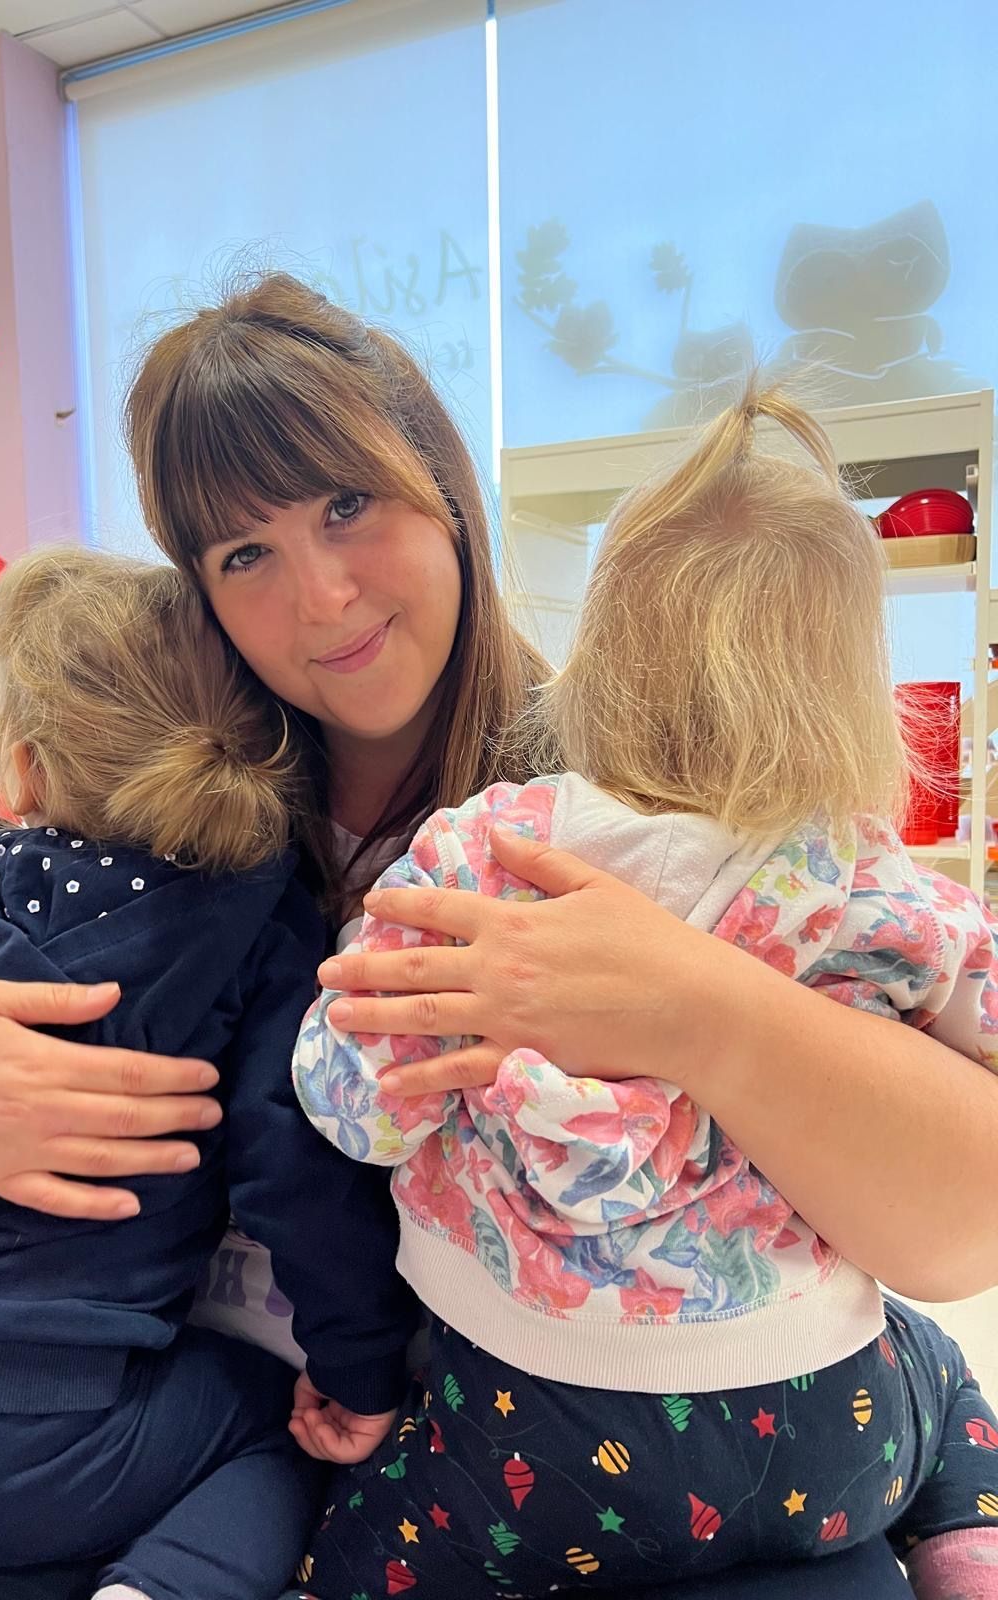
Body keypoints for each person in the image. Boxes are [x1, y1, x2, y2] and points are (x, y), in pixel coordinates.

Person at [0, 273, 995, 1595]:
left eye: (346, 504)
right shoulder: (189, 790)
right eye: (243, 554)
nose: (322, 596)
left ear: (443, 485)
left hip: (541, 1462)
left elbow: (960, 1228)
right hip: (199, 1453)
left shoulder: (622, 794)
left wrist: (704, 1012)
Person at [289, 388, 998, 1599]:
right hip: (824, 1438)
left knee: (361, 1548)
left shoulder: (480, 851)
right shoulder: (866, 882)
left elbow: (351, 1106)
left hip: (524, 1433)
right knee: (936, 1369)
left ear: (600, 654)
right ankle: (967, 1529)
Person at [0, 547, 416, 1600]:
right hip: (19, 1454)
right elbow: (292, 1175)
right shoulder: (257, 927)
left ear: (26, 770)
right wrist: (360, 1368)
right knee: (278, 1427)